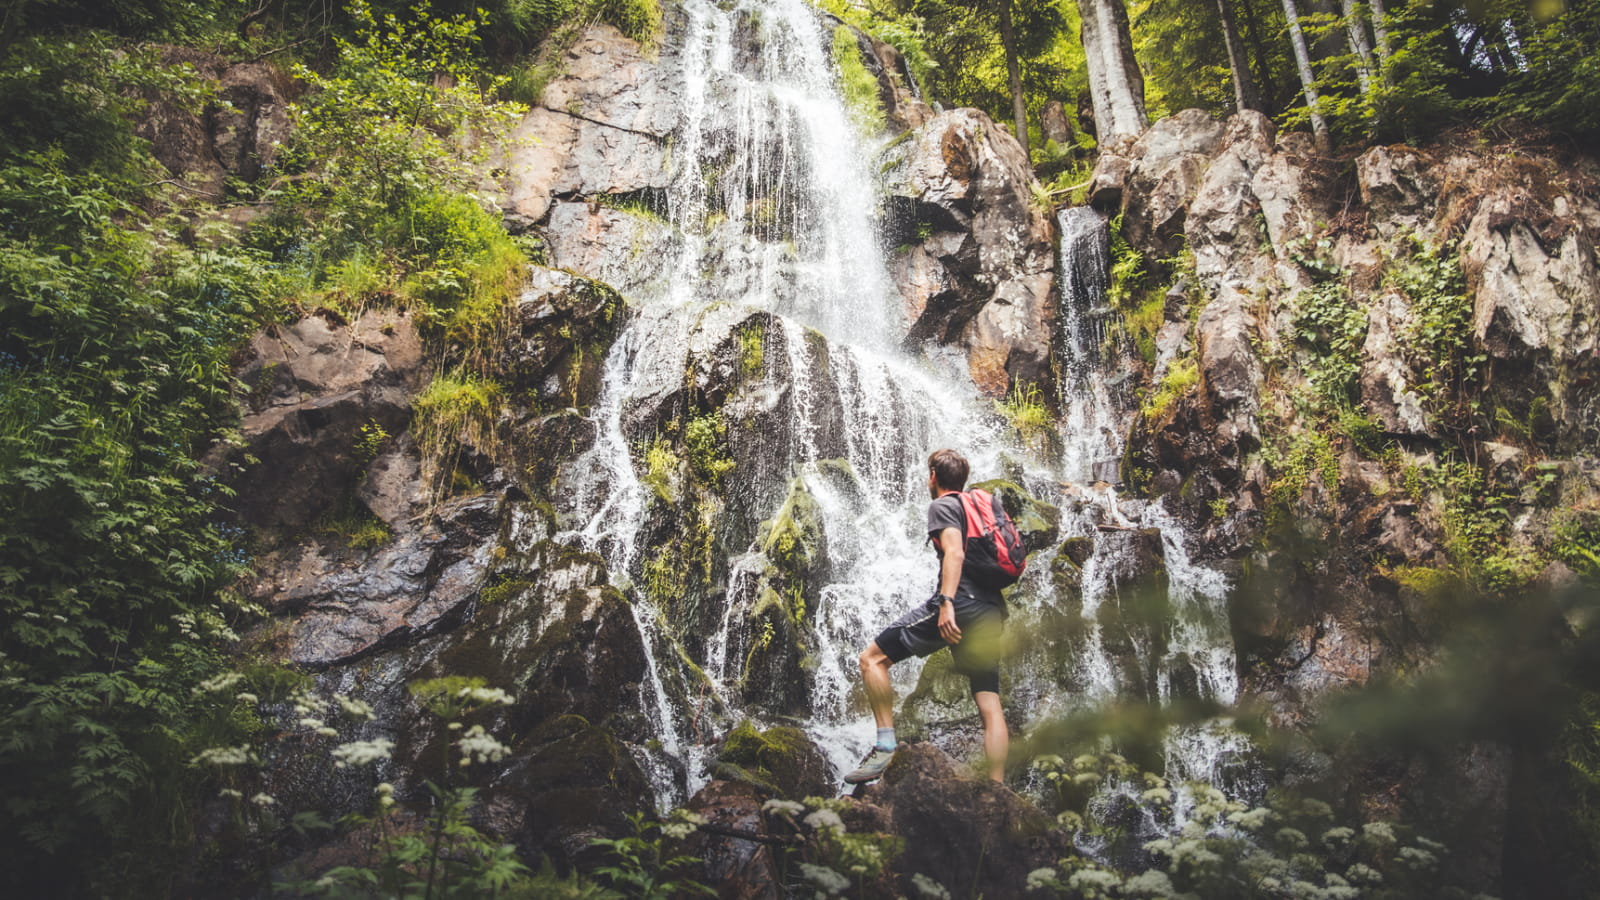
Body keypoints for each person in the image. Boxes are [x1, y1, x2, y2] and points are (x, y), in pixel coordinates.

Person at [845, 448, 1009, 784]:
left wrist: (946, 601)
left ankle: (885, 748)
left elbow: (955, 551)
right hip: (991, 609)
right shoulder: (977, 508)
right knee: (989, 701)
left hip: (959, 604)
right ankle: (998, 789)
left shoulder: (943, 505)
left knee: (872, 660)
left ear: (933, 476)